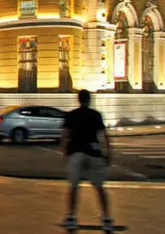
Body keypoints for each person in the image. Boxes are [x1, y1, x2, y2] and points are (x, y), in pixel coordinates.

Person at [60, 89, 113, 230]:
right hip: (93, 153)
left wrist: (65, 152)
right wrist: (108, 153)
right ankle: (106, 218)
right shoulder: (96, 115)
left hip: (76, 152)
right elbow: (104, 135)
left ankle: (71, 216)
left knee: (73, 187)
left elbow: (65, 135)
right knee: (99, 187)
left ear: (78, 99)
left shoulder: (71, 115)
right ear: (89, 100)